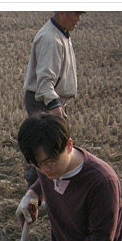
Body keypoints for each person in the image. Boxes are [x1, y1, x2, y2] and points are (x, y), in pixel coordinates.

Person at [23, 11, 85, 186]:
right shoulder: (50, 39)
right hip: (44, 102)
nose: (78, 19)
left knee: (54, 150)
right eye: (76, 14)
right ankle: (36, 191)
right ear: (63, 12)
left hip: (50, 101)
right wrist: (54, 105)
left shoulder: (60, 34)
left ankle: (48, 190)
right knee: (46, 151)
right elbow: (44, 81)